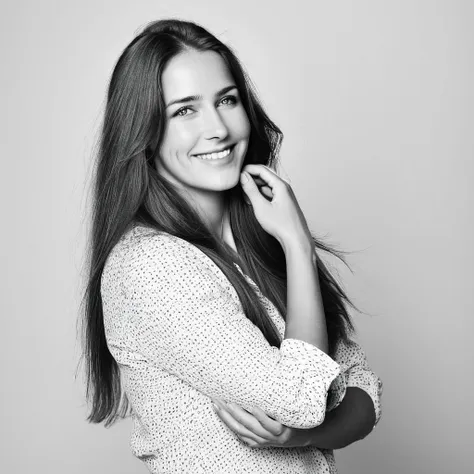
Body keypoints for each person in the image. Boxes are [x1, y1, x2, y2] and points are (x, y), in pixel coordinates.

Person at [82, 18, 382, 474]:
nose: (218, 128)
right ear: (144, 131)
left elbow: (361, 388)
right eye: (185, 110)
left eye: (226, 100)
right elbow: (301, 399)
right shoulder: (152, 265)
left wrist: (305, 436)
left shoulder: (257, 244)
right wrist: (298, 244)